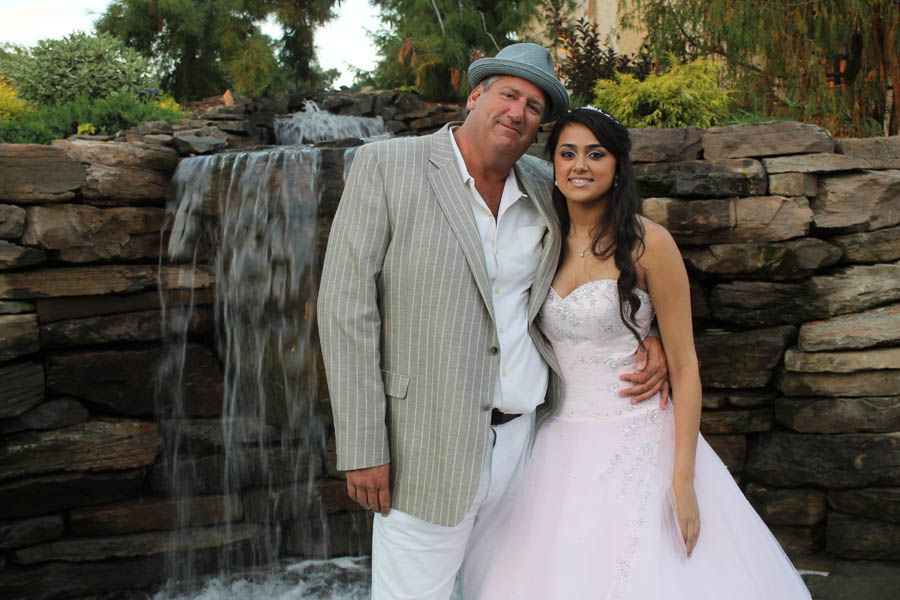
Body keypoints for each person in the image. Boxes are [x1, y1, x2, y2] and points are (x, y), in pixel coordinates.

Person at [317, 44, 670, 600]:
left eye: (534, 106)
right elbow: (345, 311)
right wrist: (364, 445)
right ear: (476, 96)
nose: (519, 112)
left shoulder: (544, 183)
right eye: (510, 94)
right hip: (424, 448)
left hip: (530, 445)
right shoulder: (387, 167)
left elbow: (603, 257)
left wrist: (644, 334)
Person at [478, 107, 812, 599]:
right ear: (553, 165)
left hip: (637, 437)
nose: (580, 165)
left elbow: (685, 366)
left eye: (596, 154)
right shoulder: (542, 240)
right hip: (555, 440)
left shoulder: (649, 244)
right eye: (567, 154)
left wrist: (683, 478)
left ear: (617, 166)